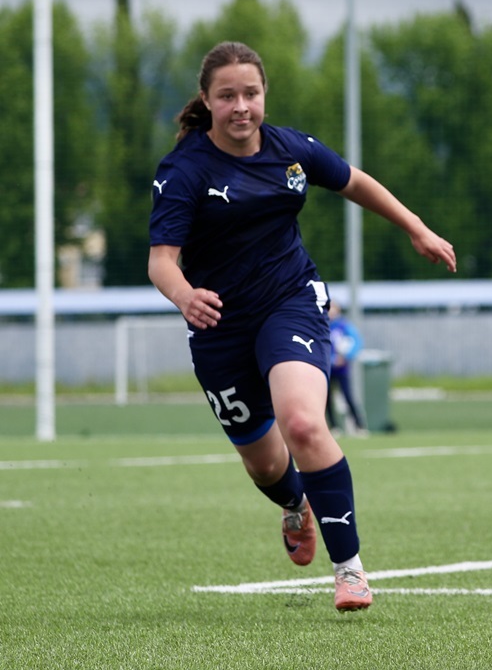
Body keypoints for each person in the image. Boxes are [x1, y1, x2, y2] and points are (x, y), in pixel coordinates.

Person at [148, 41, 456, 612]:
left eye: (251, 93)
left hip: (291, 302)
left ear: (264, 95)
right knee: (264, 463)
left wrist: (417, 227)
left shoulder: (290, 150)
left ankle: (350, 571)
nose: (241, 106)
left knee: (303, 425)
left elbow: (354, 181)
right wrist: (184, 295)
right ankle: (295, 503)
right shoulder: (185, 169)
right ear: (207, 101)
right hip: (218, 325)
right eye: (227, 96)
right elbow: (161, 260)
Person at [326, 299, 368, 435]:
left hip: (342, 368)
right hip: (327, 368)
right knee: (327, 400)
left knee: (348, 397)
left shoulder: (344, 326)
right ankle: (334, 427)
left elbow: (356, 342)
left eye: (334, 308)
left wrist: (345, 356)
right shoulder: (323, 325)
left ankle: (359, 426)